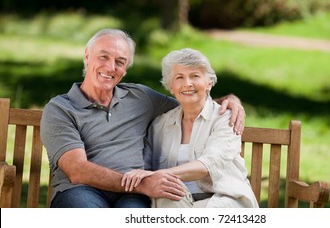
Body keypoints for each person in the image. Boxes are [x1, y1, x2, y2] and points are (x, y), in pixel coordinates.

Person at [40, 28, 246, 208]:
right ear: (87, 56)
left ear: (126, 68)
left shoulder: (140, 97)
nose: (111, 67)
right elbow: (78, 170)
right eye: (103, 57)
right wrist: (144, 183)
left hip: (133, 195)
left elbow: (190, 101)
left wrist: (230, 99)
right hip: (82, 190)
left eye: (120, 62)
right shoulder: (61, 109)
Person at [121, 48, 258, 208]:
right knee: (165, 192)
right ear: (171, 87)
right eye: (179, 77)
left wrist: (157, 175)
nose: (187, 83)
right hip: (179, 200)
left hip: (224, 199)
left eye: (195, 76)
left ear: (209, 83)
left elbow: (209, 164)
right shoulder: (160, 125)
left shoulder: (226, 118)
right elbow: (145, 166)